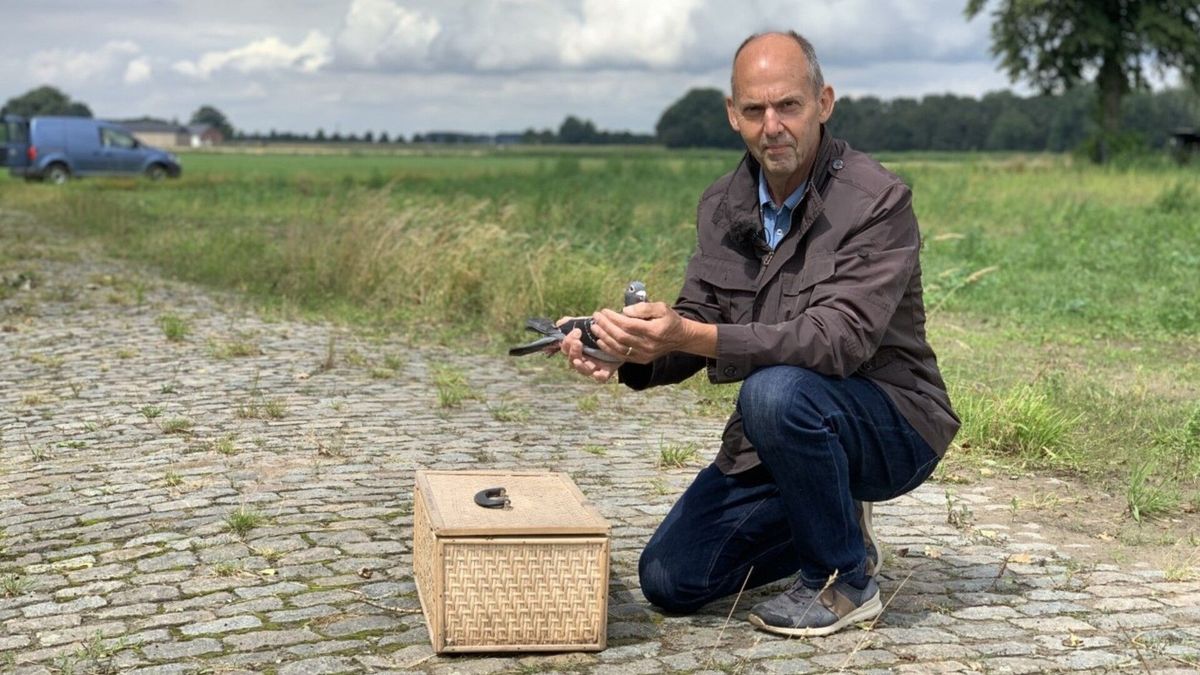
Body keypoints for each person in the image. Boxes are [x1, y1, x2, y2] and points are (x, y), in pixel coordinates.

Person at [556, 30, 959, 637]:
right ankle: (837, 522)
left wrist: (692, 335)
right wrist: (626, 348)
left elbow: (834, 342)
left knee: (772, 391)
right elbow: (698, 316)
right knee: (670, 580)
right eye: (754, 110)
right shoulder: (723, 203)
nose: (773, 125)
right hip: (783, 430)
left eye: (788, 106)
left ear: (823, 103)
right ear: (733, 115)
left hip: (890, 420)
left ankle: (842, 581)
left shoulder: (877, 200)